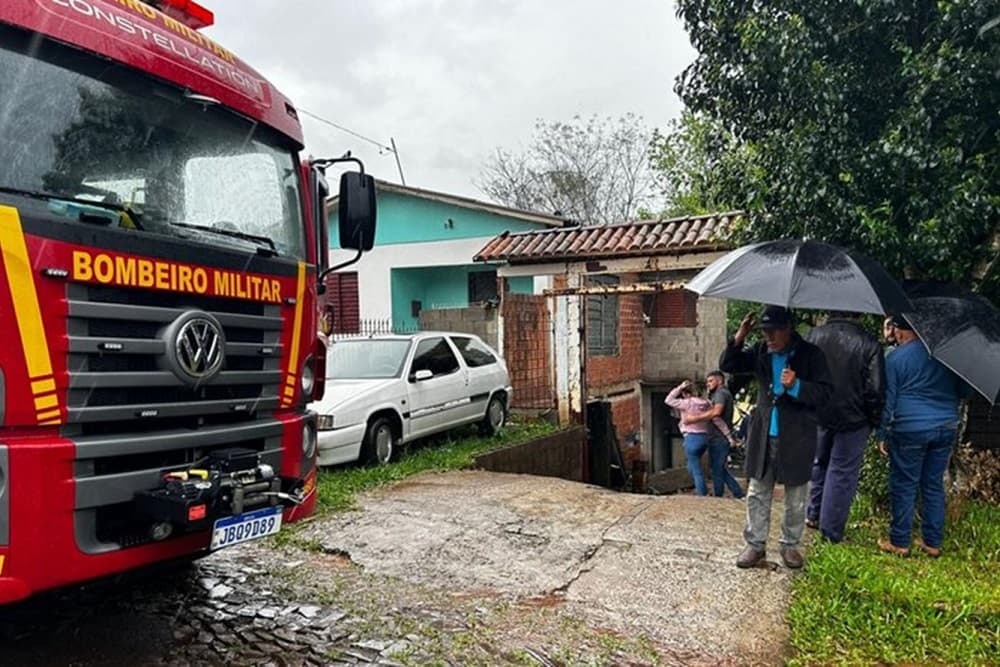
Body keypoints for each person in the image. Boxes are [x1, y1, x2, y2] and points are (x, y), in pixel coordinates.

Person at [720, 306, 833, 569]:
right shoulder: (761, 351)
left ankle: (790, 545)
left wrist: (797, 386)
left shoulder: (811, 355)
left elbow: (825, 394)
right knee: (757, 492)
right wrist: (740, 337)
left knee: (796, 496)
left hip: (797, 434)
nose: (768, 337)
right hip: (763, 433)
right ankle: (755, 544)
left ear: (788, 329)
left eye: (773, 331)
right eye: (764, 331)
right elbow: (728, 365)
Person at [876, 315, 970, 558]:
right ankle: (932, 542)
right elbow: (965, 390)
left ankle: (900, 541)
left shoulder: (895, 358)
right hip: (946, 426)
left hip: (910, 428)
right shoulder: (948, 357)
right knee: (933, 484)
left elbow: (889, 400)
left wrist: (882, 432)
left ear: (901, 332)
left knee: (904, 484)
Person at [804, 313, 885, 543]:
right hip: (854, 418)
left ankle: (814, 513)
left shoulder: (812, 336)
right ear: (858, 313)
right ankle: (831, 531)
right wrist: (874, 419)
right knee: (842, 472)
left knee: (819, 462)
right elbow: (875, 389)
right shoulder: (869, 344)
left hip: (818, 412)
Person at [665, 380, 739, 496]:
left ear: (685, 394)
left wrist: (679, 387)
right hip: (704, 438)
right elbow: (717, 420)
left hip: (691, 438)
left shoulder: (686, 403)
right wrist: (729, 436)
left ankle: (702, 494)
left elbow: (668, 400)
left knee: (696, 470)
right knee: (691, 465)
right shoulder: (707, 403)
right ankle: (711, 492)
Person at [682, 370, 745, 499]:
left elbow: (716, 412)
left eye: (711, 381)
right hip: (716, 437)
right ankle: (737, 494)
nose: (708, 384)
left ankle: (719, 497)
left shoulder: (721, 394)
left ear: (720, 381)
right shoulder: (719, 394)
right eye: (707, 381)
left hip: (719, 438)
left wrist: (694, 419)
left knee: (717, 469)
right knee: (719, 468)